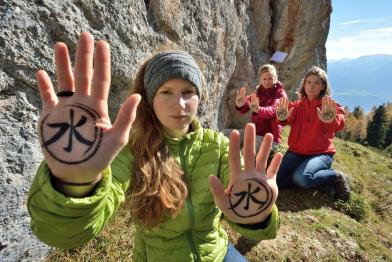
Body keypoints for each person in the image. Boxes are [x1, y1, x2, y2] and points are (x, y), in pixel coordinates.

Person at [28, 32, 283, 261]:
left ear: (199, 97)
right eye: (166, 92)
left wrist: (257, 214)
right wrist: (76, 185)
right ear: (150, 99)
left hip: (216, 252)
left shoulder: (216, 145)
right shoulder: (131, 150)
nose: (180, 104)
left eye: (188, 91)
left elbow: (252, 209)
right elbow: (64, 236)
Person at [275, 66, 351, 201]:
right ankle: (317, 182)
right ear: (304, 85)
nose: (312, 86)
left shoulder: (329, 106)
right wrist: (281, 118)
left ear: (323, 87)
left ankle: (337, 176)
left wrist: (330, 120)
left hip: (321, 154)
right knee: (276, 181)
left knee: (302, 179)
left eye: (317, 83)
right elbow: (285, 119)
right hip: (296, 152)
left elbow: (340, 122)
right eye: (309, 82)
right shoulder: (297, 106)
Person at [223, 64, 287, 150]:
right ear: (260, 79)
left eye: (270, 78)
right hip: (255, 133)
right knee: (224, 134)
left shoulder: (280, 94)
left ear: (276, 78)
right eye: (264, 79)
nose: (267, 82)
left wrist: (258, 109)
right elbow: (245, 107)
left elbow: (273, 111)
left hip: (271, 138)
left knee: (245, 151)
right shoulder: (259, 91)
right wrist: (240, 105)